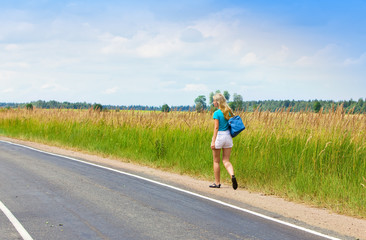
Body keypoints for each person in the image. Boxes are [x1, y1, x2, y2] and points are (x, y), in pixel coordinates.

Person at [210, 93, 238, 190]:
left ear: (217, 102)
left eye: (214, 101)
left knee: (216, 161)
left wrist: (213, 141)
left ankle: (217, 183)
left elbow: (216, 127)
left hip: (220, 136)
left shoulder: (216, 113)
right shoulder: (229, 111)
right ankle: (232, 175)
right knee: (226, 160)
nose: (213, 102)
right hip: (228, 136)